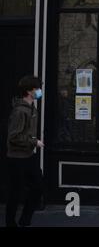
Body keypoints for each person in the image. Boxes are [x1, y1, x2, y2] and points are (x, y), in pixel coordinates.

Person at [5, 75, 44, 227]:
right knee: (15, 193)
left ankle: (25, 220)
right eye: (37, 88)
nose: (40, 91)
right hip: (16, 158)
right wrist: (35, 142)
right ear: (29, 91)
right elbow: (13, 137)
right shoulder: (20, 111)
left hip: (28, 155)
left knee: (38, 188)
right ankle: (10, 223)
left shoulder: (32, 108)